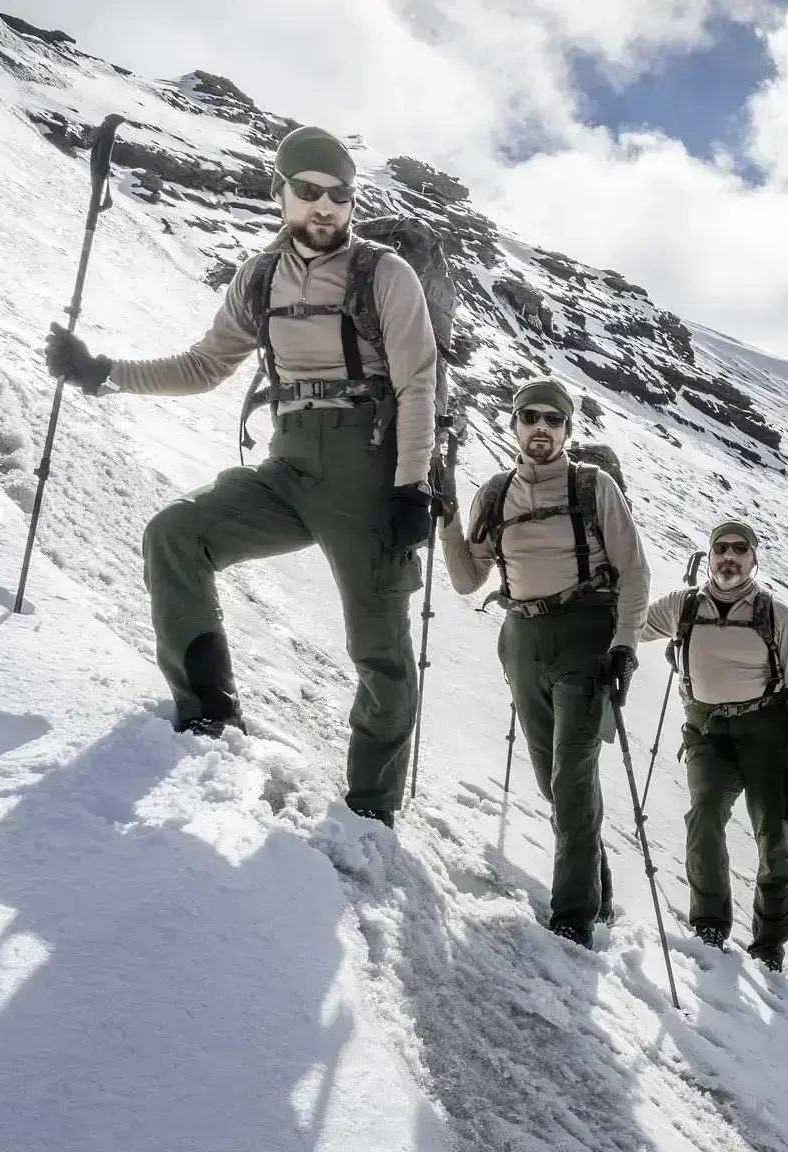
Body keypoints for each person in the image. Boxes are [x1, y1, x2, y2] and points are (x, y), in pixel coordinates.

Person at [44, 125, 438, 826]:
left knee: (380, 652)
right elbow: (204, 366)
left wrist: (412, 484)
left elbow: (416, 383)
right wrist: (102, 372)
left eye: (339, 195)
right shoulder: (259, 277)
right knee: (176, 535)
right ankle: (210, 722)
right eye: (309, 191)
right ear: (280, 192)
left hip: (367, 467)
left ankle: (371, 816)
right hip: (288, 462)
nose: (324, 206)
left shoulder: (384, 274)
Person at [437, 380, 649, 946]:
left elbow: (634, 571)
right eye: (530, 417)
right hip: (521, 639)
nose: (541, 427)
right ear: (514, 426)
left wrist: (624, 646)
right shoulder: (497, 492)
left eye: (552, 420)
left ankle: (571, 920)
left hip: (586, 636)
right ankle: (598, 897)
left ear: (566, 431)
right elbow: (465, 578)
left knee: (572, 776)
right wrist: (449, 512)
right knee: (552, 780)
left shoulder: (593, 485)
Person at [639, 520, 788, 969]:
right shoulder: (682, 606)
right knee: (703, 817)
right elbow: (631, 626)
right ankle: (709, 925)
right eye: (720, 548)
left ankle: (769, 945)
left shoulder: (775, 614)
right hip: (705, 731)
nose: (729, 556)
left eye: (739, 549)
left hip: (766, 731)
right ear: (709, 555)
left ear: (753, 559)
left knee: (773, 835)